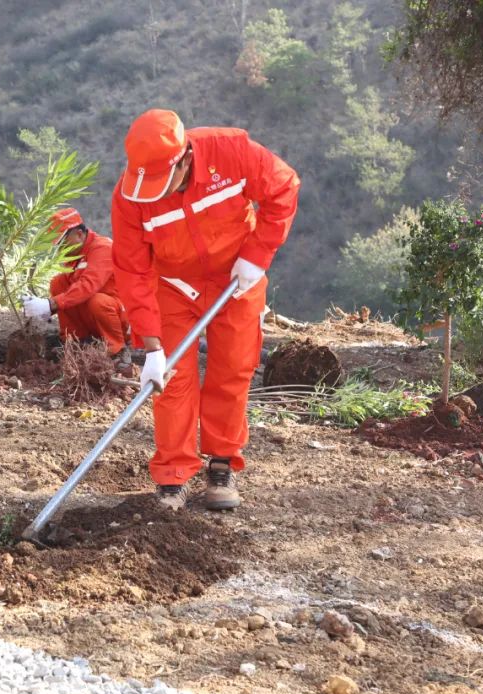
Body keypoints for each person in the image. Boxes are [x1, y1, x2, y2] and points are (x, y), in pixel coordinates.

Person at [111, 109, 300, 510]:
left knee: (232, 368)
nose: (155, 194)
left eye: (164, 183)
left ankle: (221, 464)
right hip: (172, 286)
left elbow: (283, 188)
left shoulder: (230, 152)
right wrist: (151, 344)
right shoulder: (130, 195)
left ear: (183, 160)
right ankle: (173, 476)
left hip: (236, 278)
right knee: (172, 379)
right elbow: (131, 269)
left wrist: (258, 253)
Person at [22, 208, 133, 371]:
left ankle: (117, 351)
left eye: (62, 242)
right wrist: (46, 309)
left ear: (79, 234)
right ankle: (74, 344)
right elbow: (69, 290)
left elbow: (88, 286)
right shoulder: (75, 254)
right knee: (58, 284)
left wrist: (51, 304)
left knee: (98, 301)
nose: (60, 248)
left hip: (121, 316)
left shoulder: (103, 249)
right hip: (96, 317)